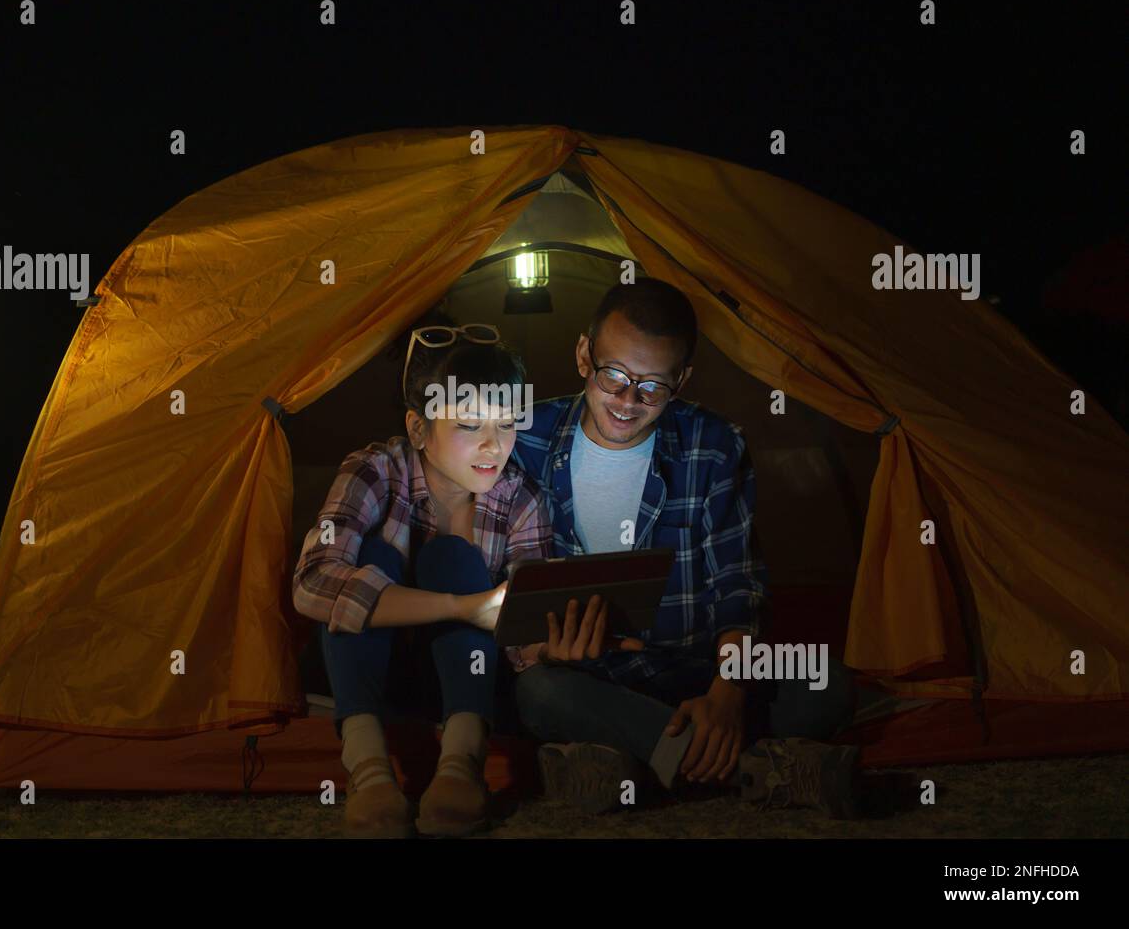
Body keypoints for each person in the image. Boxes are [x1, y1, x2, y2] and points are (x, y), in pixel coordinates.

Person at [508, 277, 861, 818]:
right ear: (583, 354)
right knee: (537, 694)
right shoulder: (525, 437)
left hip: (696, 669)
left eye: (652, 387)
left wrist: (728, 693)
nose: (628, 401)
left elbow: (738, 586)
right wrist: (544, 650)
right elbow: (497, 584)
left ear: (682, 381)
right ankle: (756, 768)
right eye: (615, 376)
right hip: (590, 678)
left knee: (828, 682)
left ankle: (625, 760)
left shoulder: (715, 445)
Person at [292, 311, 552, 837]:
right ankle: (369, 772)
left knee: (453, 558)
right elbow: (313, 580)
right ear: (418, 427)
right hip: (369, 673)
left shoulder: (521, 498)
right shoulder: (375, 470)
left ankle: (460, 764)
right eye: (468, 424)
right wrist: (465, 608)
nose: (492, 445)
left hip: (463, 684)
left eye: (505, 425)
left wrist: (549, 638)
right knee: (373, 555)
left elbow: (527, 627)